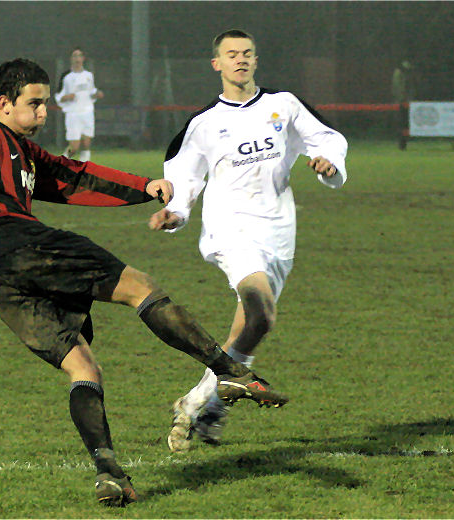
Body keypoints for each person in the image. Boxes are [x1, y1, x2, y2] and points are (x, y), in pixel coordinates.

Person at [0, 58, 288, 507]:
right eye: (34, 104)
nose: (43, 114)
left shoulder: (24, 151)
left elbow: (73, 178)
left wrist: (142, 187)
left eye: (46, 105)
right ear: (4, 103)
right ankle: (229, 372)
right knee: (139, 286)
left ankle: (109, 474)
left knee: (83, 368)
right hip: (21, 244)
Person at [149, 29, 347, 453]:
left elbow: (328, 138)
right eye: (231, 54)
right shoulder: (203, 124)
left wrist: (330, 164)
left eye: (247, 54)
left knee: (247, 329)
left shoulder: (284, 106)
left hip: (278, 232)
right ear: (216, 64)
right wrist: (175, 213)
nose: (240, 60)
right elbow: (184, 180)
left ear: (256, 60)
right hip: (231, 231)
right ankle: (218, 398)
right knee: (262, 315)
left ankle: (200, 404)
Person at [55, 47, 103, 162]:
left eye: (79, 56)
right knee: (74, 147)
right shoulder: (66, 77)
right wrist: (66, 97)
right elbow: (58, 96)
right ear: (71, 59)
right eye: (75, 56)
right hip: (73, 114)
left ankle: (84, 169)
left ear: (83, 58)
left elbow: (91, 91)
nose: (77, 58)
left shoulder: (89, 75)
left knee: (86, 144)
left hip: (87, 112)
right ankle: (59, 164)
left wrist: (96, 94)